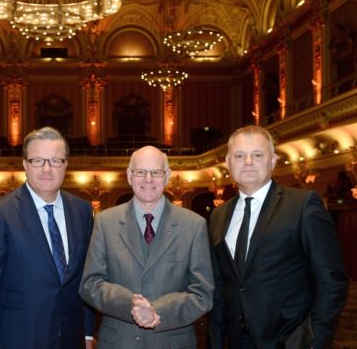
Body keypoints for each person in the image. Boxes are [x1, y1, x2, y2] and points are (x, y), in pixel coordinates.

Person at [208, 125, 348, 348]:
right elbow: (219, 285)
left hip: (289, 340)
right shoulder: (218, 215)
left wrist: (314, 340)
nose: (248, 162)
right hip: (235, 340)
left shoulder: (303, 205)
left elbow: (332, 280)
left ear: (272, 160)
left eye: (257, 155)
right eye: (239, 155)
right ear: (228, 161)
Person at [80, 145, 214, 348]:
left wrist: (157, 310)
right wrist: (131, 304)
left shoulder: (194, 225)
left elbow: (202, 294)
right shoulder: (105, 222)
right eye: (141, 172)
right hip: (118, 343)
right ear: (129, 175)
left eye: (156, 172)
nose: (148, 180)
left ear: (167, 175)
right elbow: (90, 284)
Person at [0, 126, 94, 348]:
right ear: (25, 164)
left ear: (65, 165)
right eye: (37, 161)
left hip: (71, 338)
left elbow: (83, 280)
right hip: (20, 338)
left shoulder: (82, 211)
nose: (47, 169)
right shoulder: (0, 212)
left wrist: (87, 334)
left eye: (55, 161)